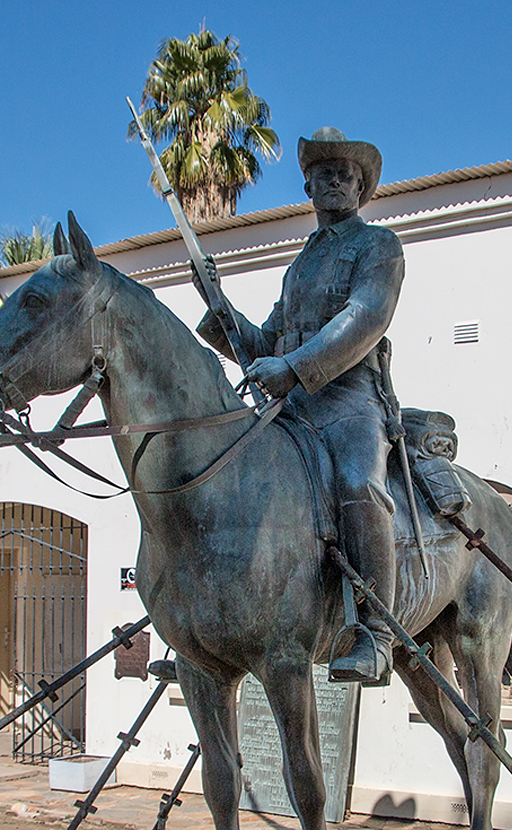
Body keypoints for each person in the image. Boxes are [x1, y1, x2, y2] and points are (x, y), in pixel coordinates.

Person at [195, 127, 405, 686]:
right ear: (308, 187)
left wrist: (293, 370)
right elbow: (265, 344)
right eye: (325, 175)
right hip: (292, 408)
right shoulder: (298, 267)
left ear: (361, 189)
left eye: (347, 175)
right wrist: (216, 305)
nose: (336, 182)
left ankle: (375, 632)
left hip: (349, 400)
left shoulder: (379, 246)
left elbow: (363, 319)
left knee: (361, 482)